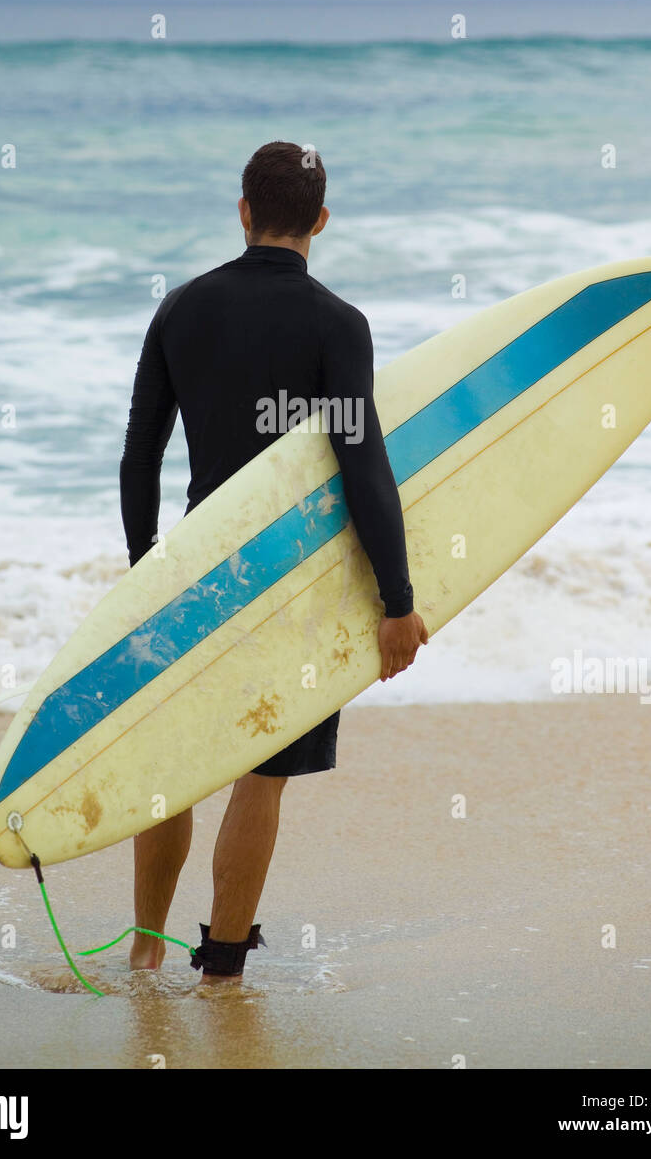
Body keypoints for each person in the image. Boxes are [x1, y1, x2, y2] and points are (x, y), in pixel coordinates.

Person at [119, 141, 428, 979]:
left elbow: (140, 451)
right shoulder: (338, 325)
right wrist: (397, 600)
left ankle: (146, 948)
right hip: (291, 581)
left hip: (191, 568)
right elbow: (363, 467)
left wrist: (144, 568)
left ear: (244, 210)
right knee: (263, 769)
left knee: (174, 763)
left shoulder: (181, 308)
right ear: (321, 221)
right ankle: (222, 959)